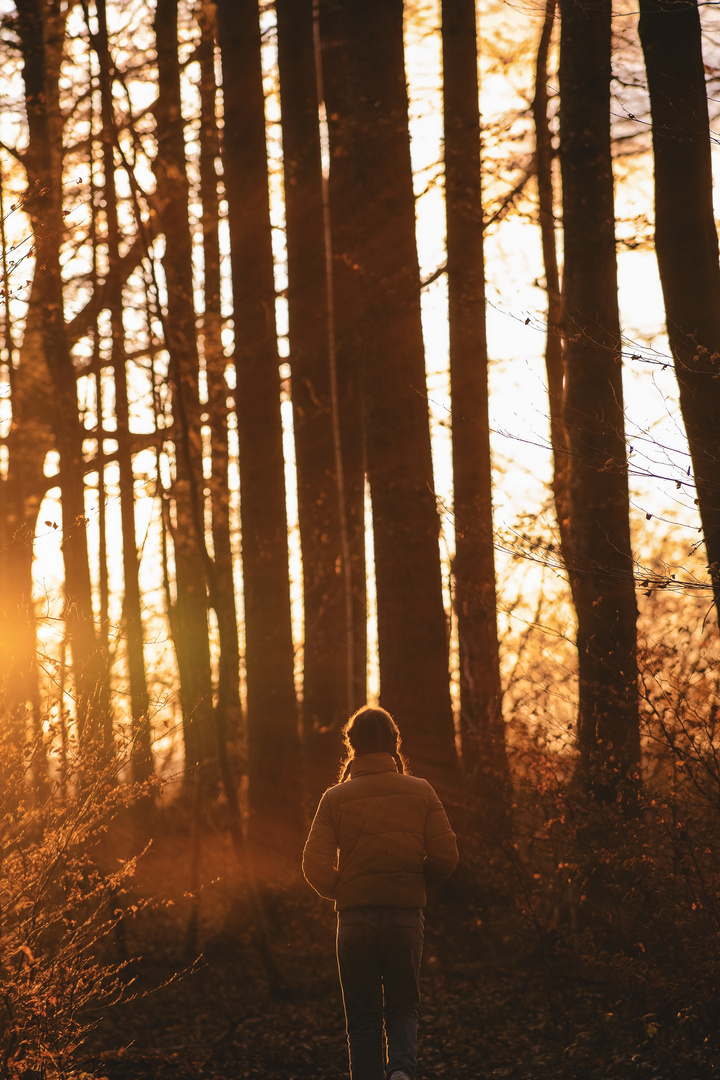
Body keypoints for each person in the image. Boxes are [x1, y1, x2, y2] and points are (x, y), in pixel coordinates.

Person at [302, 705, 459, 1080]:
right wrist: (415, 883)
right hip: (405, 916)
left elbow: (313, 864)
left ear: (352, 745)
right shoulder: (421, 791)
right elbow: (446, 854)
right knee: (403, 1007)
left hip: (354, 918)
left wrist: (344, 889)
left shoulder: (334, 798)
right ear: (393, 743)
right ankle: (401, 1073)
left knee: (362, 1018)